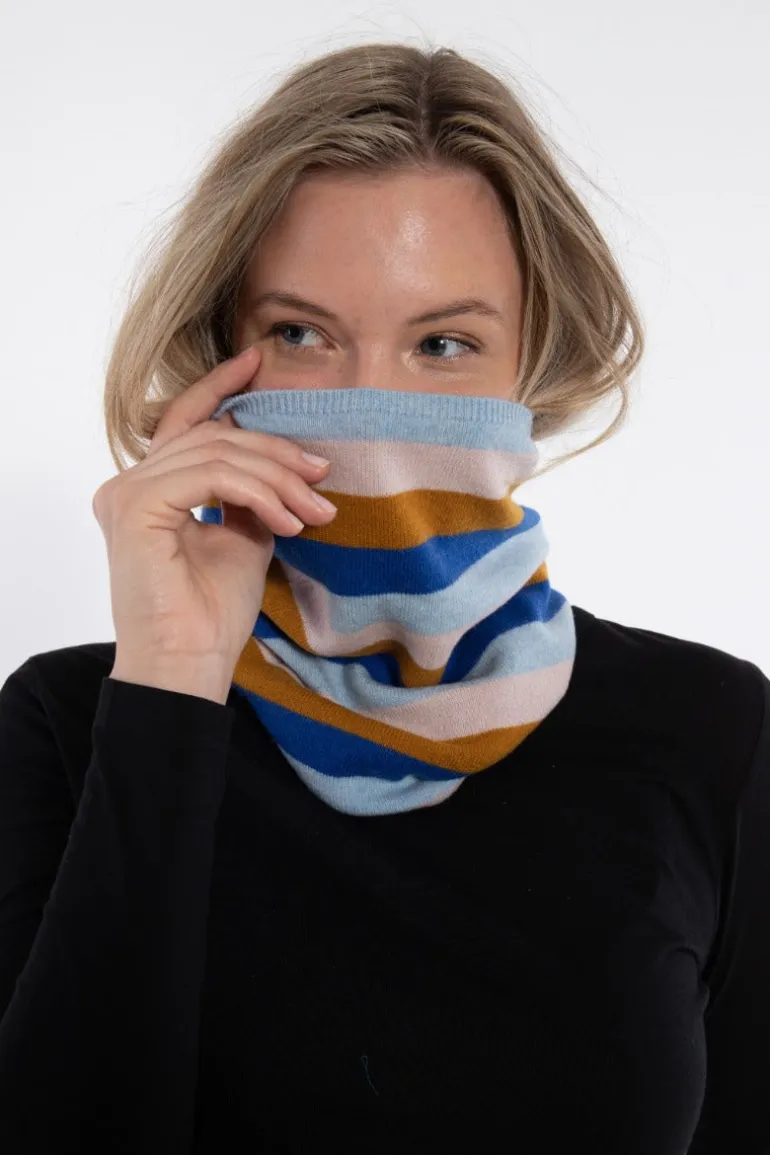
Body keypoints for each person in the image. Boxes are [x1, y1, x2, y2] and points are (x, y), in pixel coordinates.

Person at [0, 40, 767, 1155]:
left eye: (443, 343)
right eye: (299, 335)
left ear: (530, 367)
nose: (368, 405)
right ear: (220, 359)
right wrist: (172, 672)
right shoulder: (75, 725)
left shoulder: (709, 730)